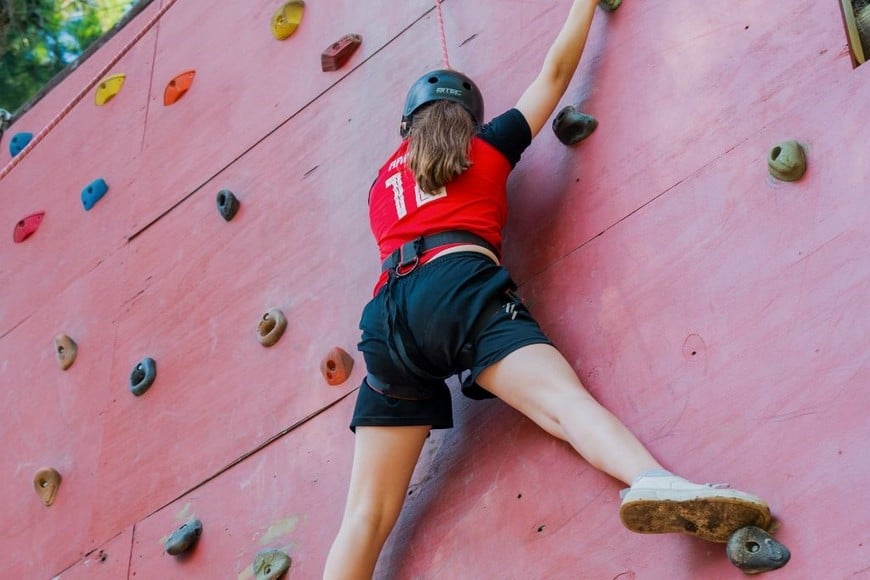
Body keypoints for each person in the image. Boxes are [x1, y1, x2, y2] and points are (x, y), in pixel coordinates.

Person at [324, 1, 772, 578]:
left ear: (405, 128)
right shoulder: (485, 147)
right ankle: (653, 481)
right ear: (467, 121)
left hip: (387, 317)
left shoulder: (379, 186)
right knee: (565, 405)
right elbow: (554, 74)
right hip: (459, 285)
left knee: (365, 515)